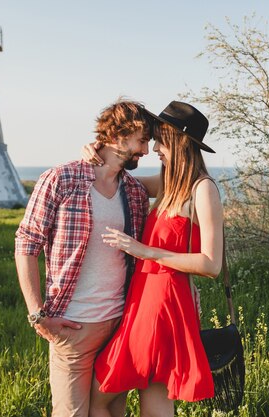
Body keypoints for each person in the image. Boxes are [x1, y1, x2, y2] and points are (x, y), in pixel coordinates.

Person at [84, 101, 224, 417]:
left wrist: (144, 251)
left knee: (100, 394)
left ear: (180, 141)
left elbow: (211, 264)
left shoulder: (203, 189)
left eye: (161, 139)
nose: (156, 148)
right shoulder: (168, 184)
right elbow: (115, 177)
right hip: (145, 300)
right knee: (152, 402)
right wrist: (97, 151)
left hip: (163, 305)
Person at [14, 99, 152, 417]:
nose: (145, 151)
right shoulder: (60, 179)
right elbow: (26, 244)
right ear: (119, 134)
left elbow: (183, 181)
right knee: (71, 412)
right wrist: (37, 314)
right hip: (72, 326)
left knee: (114, 409)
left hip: (120, 323)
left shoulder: (133, 191)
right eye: (142, 140)